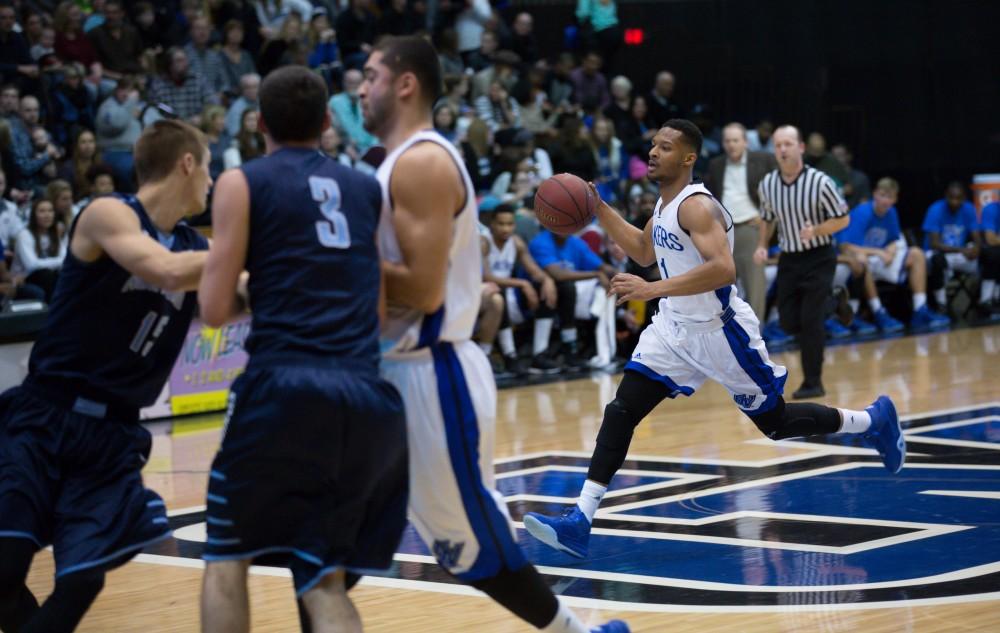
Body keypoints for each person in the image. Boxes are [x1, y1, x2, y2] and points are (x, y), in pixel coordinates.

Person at [521, 120, 905, 562]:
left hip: (721, 332)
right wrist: (598, 206)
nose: (652, 152)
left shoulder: (696, 205)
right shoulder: (663, 207)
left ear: (687, 158)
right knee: (621, 410)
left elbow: (725, 269)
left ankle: (872, 420)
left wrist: (651, 290)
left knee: (776, 423)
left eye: (665, 148)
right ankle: (579, 521)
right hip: (673, 330)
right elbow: (645, 252)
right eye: (652, 145)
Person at [359, 35, 628, 633]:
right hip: (385, 373)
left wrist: (327, 259)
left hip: (431, 375)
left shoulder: (424, 162)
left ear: (406, 84)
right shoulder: (392, 164)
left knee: (470, 547)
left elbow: (424, 291)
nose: (359, 85)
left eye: (370, 75)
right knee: (324, 540)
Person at [198, 65, 407, 633]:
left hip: (283, 386)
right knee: (322, 577)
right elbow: (380, 315)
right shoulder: (366, 187)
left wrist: (251, 292)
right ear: (326, 123)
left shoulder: (243, 181)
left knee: (225, 557)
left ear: (259, 122)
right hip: (365, 392)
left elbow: (213, 310)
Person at [0, 119, 213, 633]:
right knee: (4, 567)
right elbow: (163, 269)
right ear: (187, 163)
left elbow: (227, 302)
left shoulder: (191, 243)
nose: (210, 182)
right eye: (207, 168)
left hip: (112, 435)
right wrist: (247, 253)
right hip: (46, 414)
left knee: (81, 581)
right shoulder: (108, 213)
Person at [755, 125, 850, 399]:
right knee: (787, 323)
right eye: (778, 145)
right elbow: (767, 217)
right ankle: (833, 301)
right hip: (789, 258)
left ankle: (813, 382)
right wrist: (762, 245)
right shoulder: (768, 184)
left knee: (811, 322)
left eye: (788, 144)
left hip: (819, 256)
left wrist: (817, 230)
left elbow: (844, 219)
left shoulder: (820, 182)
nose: (783, 149)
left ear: (801, 148)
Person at [837, 177, 950, 329]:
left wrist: (891, 250)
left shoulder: (892, 213)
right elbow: (846, 247)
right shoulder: (862, 212)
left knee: (916, 254)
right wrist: (879, 252)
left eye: (890, 197)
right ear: (875, 194)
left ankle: (920, 309)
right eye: (882, 195)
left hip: (880, 260)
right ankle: (878, 312)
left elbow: (893, 239)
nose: (885, 200)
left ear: (895, 199)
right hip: (860, 263)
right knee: (861, 259)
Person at [703, 122, 775, 322]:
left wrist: (767, 215)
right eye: (727, 141)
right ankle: (725, 338)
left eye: (735, 140)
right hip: (722, 233)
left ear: (745, 142)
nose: (731, 145)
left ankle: (756, 339)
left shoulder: (762, 160)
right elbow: (712, 197)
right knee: (721, 288)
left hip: (751, 229)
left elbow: (777, 188)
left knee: (755, 288)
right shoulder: (716, 165)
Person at [481, 204, 560, 375]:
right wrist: (523, 284)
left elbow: (534, 270)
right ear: (492, 225)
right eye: (501, 224)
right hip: (484, 297)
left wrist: (547, 280)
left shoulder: (516, 243)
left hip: (509, 295)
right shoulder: (484, 242)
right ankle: (510, 356)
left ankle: (540, 353)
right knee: (498, 290)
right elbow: (487, 278)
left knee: (544, 289)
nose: (505, 228)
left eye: (509, 224)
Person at [922, 182, 983, 316]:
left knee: (988, 256)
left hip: (958, 254)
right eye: (951, 198)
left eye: (958, 198)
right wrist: (963, 251)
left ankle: (985, 300)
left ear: (964, 198)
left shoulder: (969, 208)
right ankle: (941, 305)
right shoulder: (935, 209)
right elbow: (935, 244)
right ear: (946, 197)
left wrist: (977, 248)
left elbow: (976, 236)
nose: (954, 202)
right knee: (937, 260)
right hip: (936, 254)